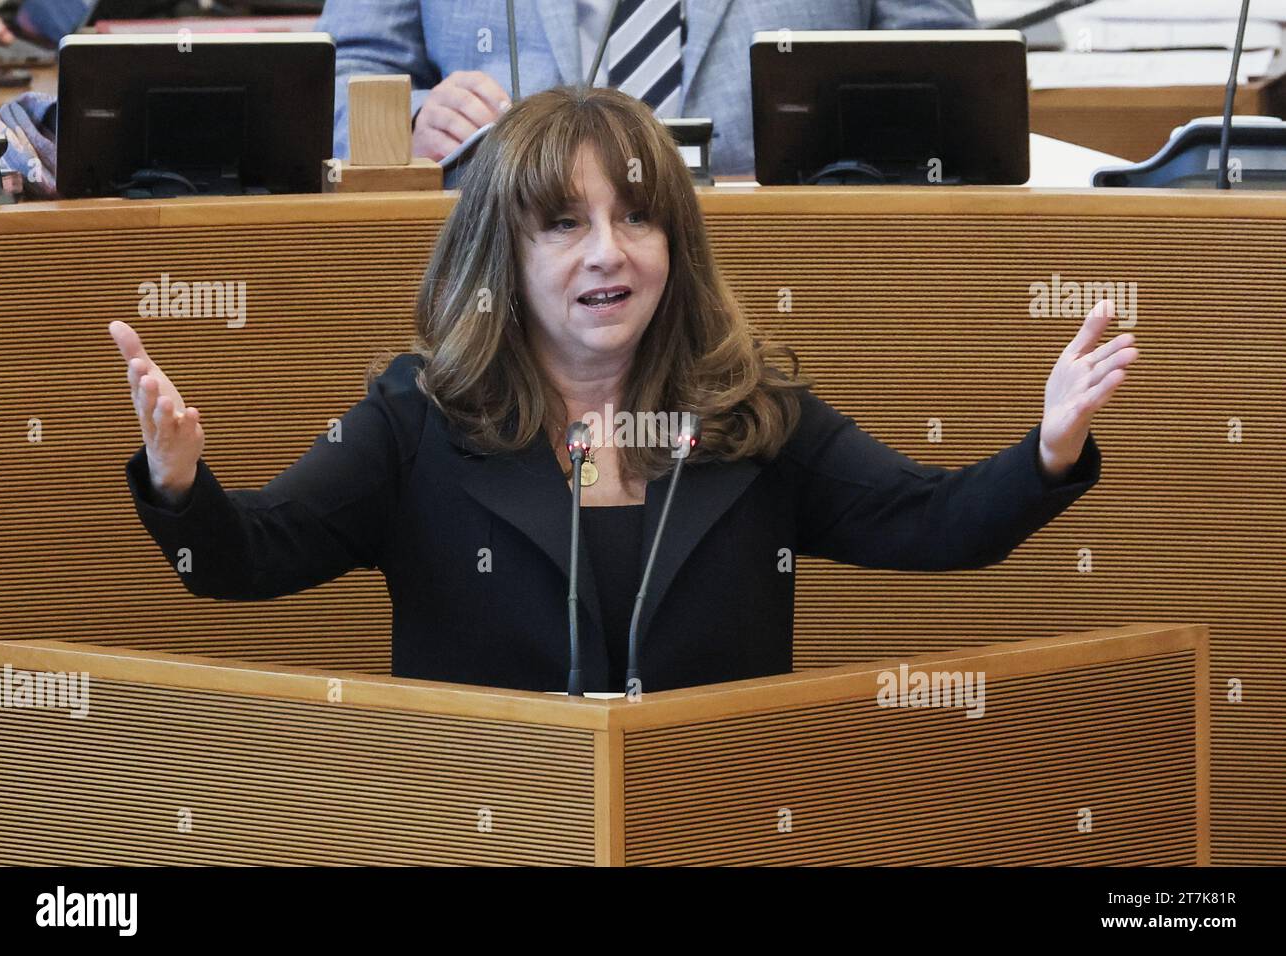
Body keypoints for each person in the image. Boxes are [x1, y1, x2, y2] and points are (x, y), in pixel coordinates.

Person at [109, 85, 1137, 695]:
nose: (608, 251)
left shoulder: (751, 414)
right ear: (499, 253)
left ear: (674, 244)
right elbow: (239, 560)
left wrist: (1046, 445)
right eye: (563, 223)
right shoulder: (417, 420)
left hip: (706, 822)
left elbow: (938, 522)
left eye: (636, 219)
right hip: (491, 826)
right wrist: (179, 483)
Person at [317, 0, 978, 174]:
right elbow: (338, 74)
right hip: (499, 286)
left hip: (792, 270)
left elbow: (952, 78)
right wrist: (409, 123)